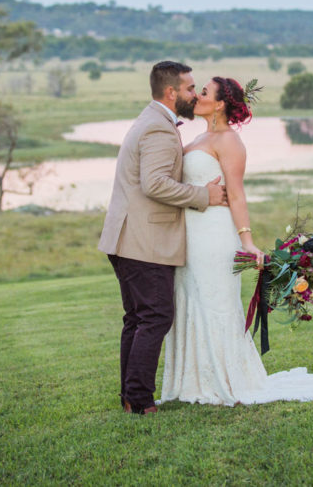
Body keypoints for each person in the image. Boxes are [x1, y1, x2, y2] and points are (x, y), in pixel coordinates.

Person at [161, 76, 313, 406]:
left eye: (204, 92)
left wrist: (247, 242)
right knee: (189, 297)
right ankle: (189, 381)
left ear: (220, 103)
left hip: (214, 235)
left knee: (213, 301)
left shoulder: (230, 142)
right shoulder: (199, 135)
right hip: (189, 235)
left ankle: (223, 379)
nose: (197, 96)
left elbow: (236, 195)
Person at [98, 61, 228, 415]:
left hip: (129, 238)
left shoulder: (152, 120)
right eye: (189, 88)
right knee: (155, 317)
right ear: (171, 93)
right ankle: (139, 401)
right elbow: (154, 183)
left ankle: (131, 397)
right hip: (145, 240)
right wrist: (204, 196)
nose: (193, 93)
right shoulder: (157, 128)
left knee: (138, 318)